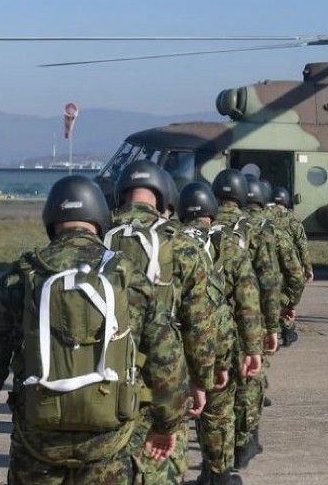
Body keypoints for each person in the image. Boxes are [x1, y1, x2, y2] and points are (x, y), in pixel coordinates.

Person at [0, 175, 188, 485]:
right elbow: (167, 360)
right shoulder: (130, 279)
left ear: (51, 219)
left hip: (37, 446)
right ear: (100, 218)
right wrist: (166, 425)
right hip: (109, 444)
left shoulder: (22, 278)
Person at [104, 160, 222, 484]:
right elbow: (200, 324)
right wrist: (200, 381)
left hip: (101, 388)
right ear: (166, 197)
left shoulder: (97, 237)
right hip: (162, 390)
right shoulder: (182, 245)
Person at [178, 181, 264, 485]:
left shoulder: (169, 244)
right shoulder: (229, 244)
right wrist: (254, 348)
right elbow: (248, 298)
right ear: (212, 214)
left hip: (176, 342)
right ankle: (218, 474)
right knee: (218, 412)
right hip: (219, 341)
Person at [212, 169, 280, 471]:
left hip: (212, 320)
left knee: (217, 390)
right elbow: (268, 280)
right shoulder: (256, 227)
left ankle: (217, 462)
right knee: (248, 380)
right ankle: (244, 440)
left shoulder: (203, 229)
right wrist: (273, 325)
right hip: (249, 316)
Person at [268, 185, 310, 347]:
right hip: (289, 263)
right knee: (285, 298)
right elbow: (302, 245)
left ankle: (282, 330)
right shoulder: (293, 219)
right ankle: (287, 330)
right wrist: (308, 268)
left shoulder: (265, 216)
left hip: (268, 262)